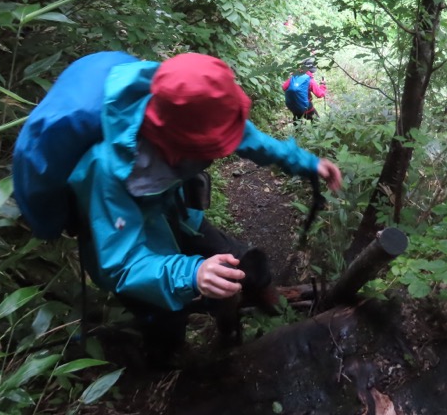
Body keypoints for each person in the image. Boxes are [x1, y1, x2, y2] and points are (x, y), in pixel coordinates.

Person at [37, 52, 342, 361]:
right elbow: (122, 262)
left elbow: (245, 137)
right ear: (180, 144)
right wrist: (192, 274)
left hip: (178, 216)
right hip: (131, 242)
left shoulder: (191, 118)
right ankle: (172, 364)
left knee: (237, 261)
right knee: (164, 317)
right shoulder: (106, 170)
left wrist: (307, 163)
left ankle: (247, 315)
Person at [282, 57, 327, 123]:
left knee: (297, 121)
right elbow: (319, 94)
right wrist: (323, 85)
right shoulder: (310, 80)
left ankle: (297, 132)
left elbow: (284, 87)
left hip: (294, 106)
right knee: (317, 121)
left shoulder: (294, 77)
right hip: (306, 106)